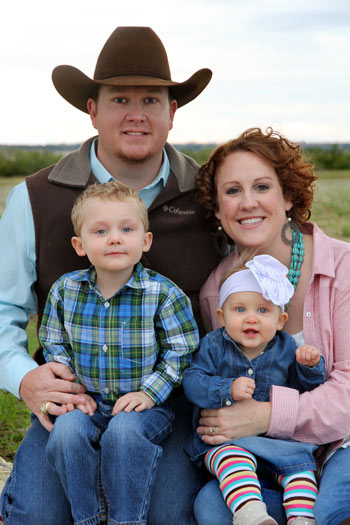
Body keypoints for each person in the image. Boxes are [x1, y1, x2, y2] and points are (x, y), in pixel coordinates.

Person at [0, 27, 221, 525]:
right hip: (71, 400)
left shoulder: (211, 196)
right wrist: (25, 379)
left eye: (152, 98)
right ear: (93, 109)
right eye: (119, 98)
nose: (137, 113)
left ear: (173, 111)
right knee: (35, 516)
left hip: (172, 402)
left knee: (168, 515)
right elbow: (3, 310)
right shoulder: (34, 199)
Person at [191, 127, 350, 524]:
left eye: (262, 186)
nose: (247, 203)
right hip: (273, 458)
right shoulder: (218, 291)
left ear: (289, 196)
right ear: (216, 208)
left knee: (330, 511)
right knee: (212, 507)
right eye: (232, 191)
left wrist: (268, 414)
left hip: (343, 443)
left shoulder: (342, 268)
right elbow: (219, 375)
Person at [40, 181, 199, 524]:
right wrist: (71, 392)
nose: (114, 238)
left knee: (125, 434)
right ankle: (88, 517)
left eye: (126, 229)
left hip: (143, 406)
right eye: (101, 231)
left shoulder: (162, 294)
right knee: (67, 433)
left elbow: (182, 349)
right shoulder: (66, 291)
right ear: (80, 245)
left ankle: (126, 520)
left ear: (145, 240)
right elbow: (55, 342)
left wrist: (149, 392)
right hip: (87, 401)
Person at [183, 254, 326, 525]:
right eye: (240, 310)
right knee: (232, 461)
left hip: (276, 442)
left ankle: (302, 518)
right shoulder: (214, 346)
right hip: (228, 442)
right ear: (221, 317)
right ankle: (251, 514)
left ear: (281, 320)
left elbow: (303, 391)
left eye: (263, 310)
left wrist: (310, 367)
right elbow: (192, 381)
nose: (251, 318)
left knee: (301, 469)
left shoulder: (286, 349)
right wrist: (226, 388)